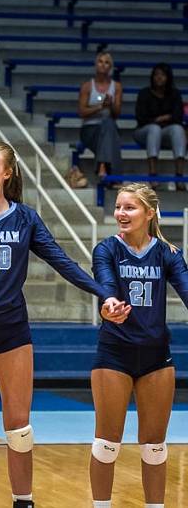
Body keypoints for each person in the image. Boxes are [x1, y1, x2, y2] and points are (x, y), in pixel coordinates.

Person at [0, 140, 129, 508]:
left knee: (19, 430)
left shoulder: (26, 218)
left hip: (12, 330)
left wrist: (105, 293)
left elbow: (62, 262)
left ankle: (24, 501)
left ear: (7, 173)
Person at [89, 183, 186, 508]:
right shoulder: (107, 249)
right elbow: (105, 283)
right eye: (118, 207)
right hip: (114, 354)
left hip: (157, 357)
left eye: (129, 208)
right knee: (106, 443)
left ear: (149, 213)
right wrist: (109, 305)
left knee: (155, 446)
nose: (120, 214)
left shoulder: (168, 253)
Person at [133, 63, 186, 188]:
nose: (159, 78)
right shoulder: (144, 93)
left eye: (162, 75)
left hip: (166, 132)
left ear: (168, 77)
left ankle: (179, 176)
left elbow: (178, 117)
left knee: (178, 129)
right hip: (144, 132)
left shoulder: (175, 94)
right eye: (156, 74)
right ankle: (153, 175)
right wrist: (164, 118)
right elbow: (141, 118)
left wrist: (160, 119)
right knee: (154, 129)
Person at [78, 46, 124, 183]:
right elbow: (82, 112)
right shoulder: (87, 86)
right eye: (100, 61)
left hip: (108, 127)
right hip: (90, 129)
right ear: (96, 64)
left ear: (110, 67)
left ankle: (103, 166)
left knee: (109, 123)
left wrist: (111, 105)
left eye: (107, 62)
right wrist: (100, 107)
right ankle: (115, 176)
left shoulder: (116, 87)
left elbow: (117, 114)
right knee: (109, 130)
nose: (103, 65)